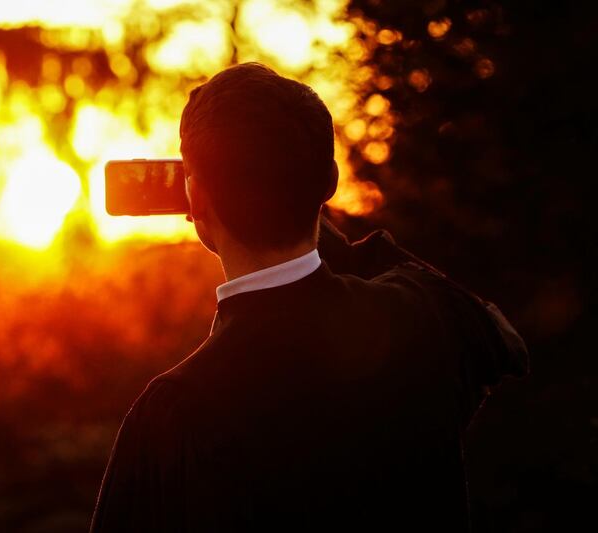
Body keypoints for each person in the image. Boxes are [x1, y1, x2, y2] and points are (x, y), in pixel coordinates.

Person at [90, 63, 528, 532]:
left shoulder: (172, 416)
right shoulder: (423, 317)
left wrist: (215, 198)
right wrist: (294, 201)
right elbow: (506, 343)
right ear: (331, 182)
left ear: (196, 202)